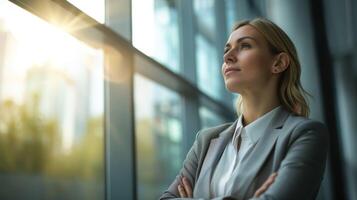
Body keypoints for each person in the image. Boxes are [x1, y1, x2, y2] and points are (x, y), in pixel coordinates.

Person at [159, 17, 329, 200]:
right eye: (227, 49)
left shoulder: (305, 134)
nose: (227, 57)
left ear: (278, 63)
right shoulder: (206, 141)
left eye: (245, 45)